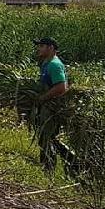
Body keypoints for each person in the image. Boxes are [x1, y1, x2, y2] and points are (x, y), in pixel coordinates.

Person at [32, 37, 72, 173]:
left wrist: (43, 97)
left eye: (42, 46)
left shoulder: (54, 64)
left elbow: (61, 87)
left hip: (52, 108)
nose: (39, 48)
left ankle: (49, 169)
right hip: (45, 107)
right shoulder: (45, 64)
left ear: (51, 48)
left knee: (47, 138)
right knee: (47, 138)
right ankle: (71, 161)